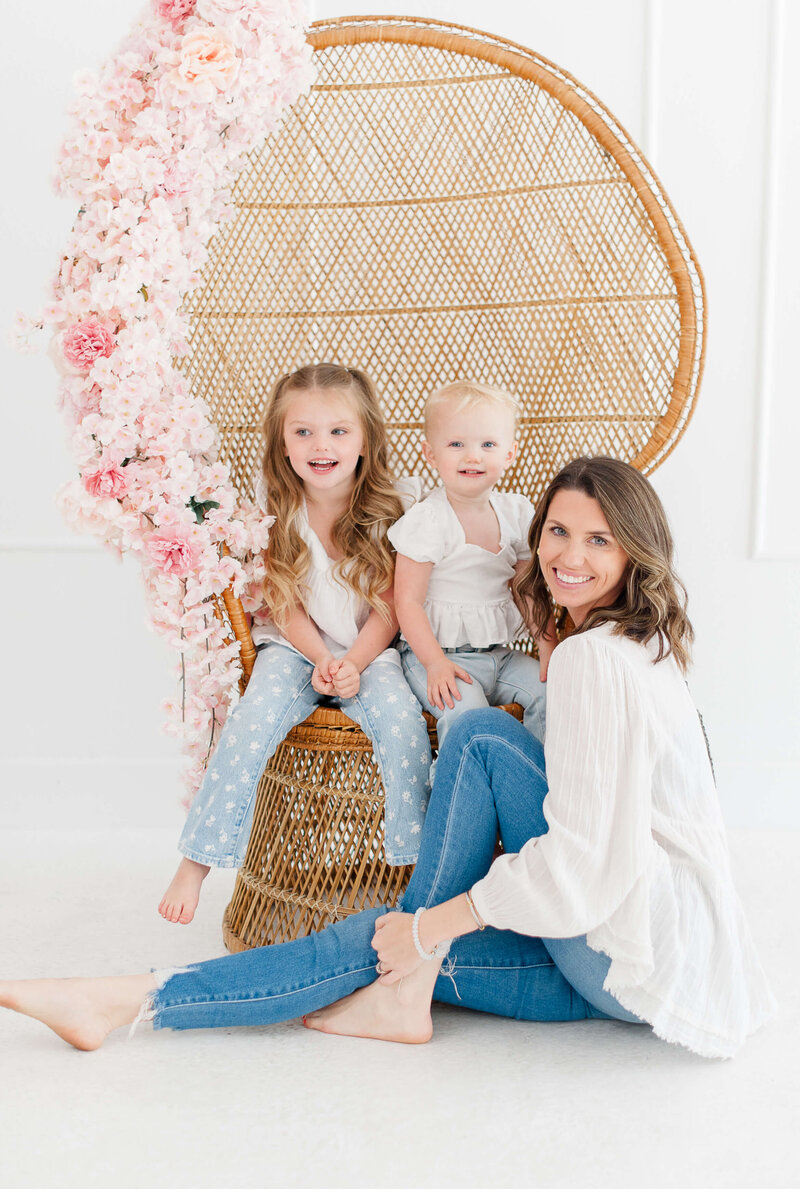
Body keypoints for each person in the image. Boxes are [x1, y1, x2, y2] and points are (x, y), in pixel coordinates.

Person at [1, 457, 775, 1058]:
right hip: (656, 952)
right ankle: (398, 980)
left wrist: (434, 926)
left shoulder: (595, 661)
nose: (568, 557)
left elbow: (582, 869)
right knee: (477, 738)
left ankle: (130, 1000)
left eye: (598, 539)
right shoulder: (636, 641)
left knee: (386, 936)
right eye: (558, 532)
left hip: (625, 963)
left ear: (636, 550)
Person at [158, 363, 431, 924]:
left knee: (402, 724)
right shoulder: (273, 508)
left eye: (338, 431)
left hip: (372, 646)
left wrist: (352, 662)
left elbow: (392, 604)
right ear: (282, 443)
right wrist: (322, 658)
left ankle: (416, 867)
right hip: (293, 643)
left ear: (365, 440)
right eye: (302, 431)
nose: (320, 445)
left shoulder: (396, 504)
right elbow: (282, 603)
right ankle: (197, 859)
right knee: (253, 717)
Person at [389, 381, 556, 754]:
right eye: (456, 444)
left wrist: (546, 644)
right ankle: (468, 793)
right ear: (430, 454)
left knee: (553, 695)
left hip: (499, 654)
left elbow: (527, 590)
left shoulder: (516, 513)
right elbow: (407, 602)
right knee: (467, 716)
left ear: (511, 453)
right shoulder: (429, 520)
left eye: (488, 445)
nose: (472, 456)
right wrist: (434, 663)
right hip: (436, 655)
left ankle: (536, 786)